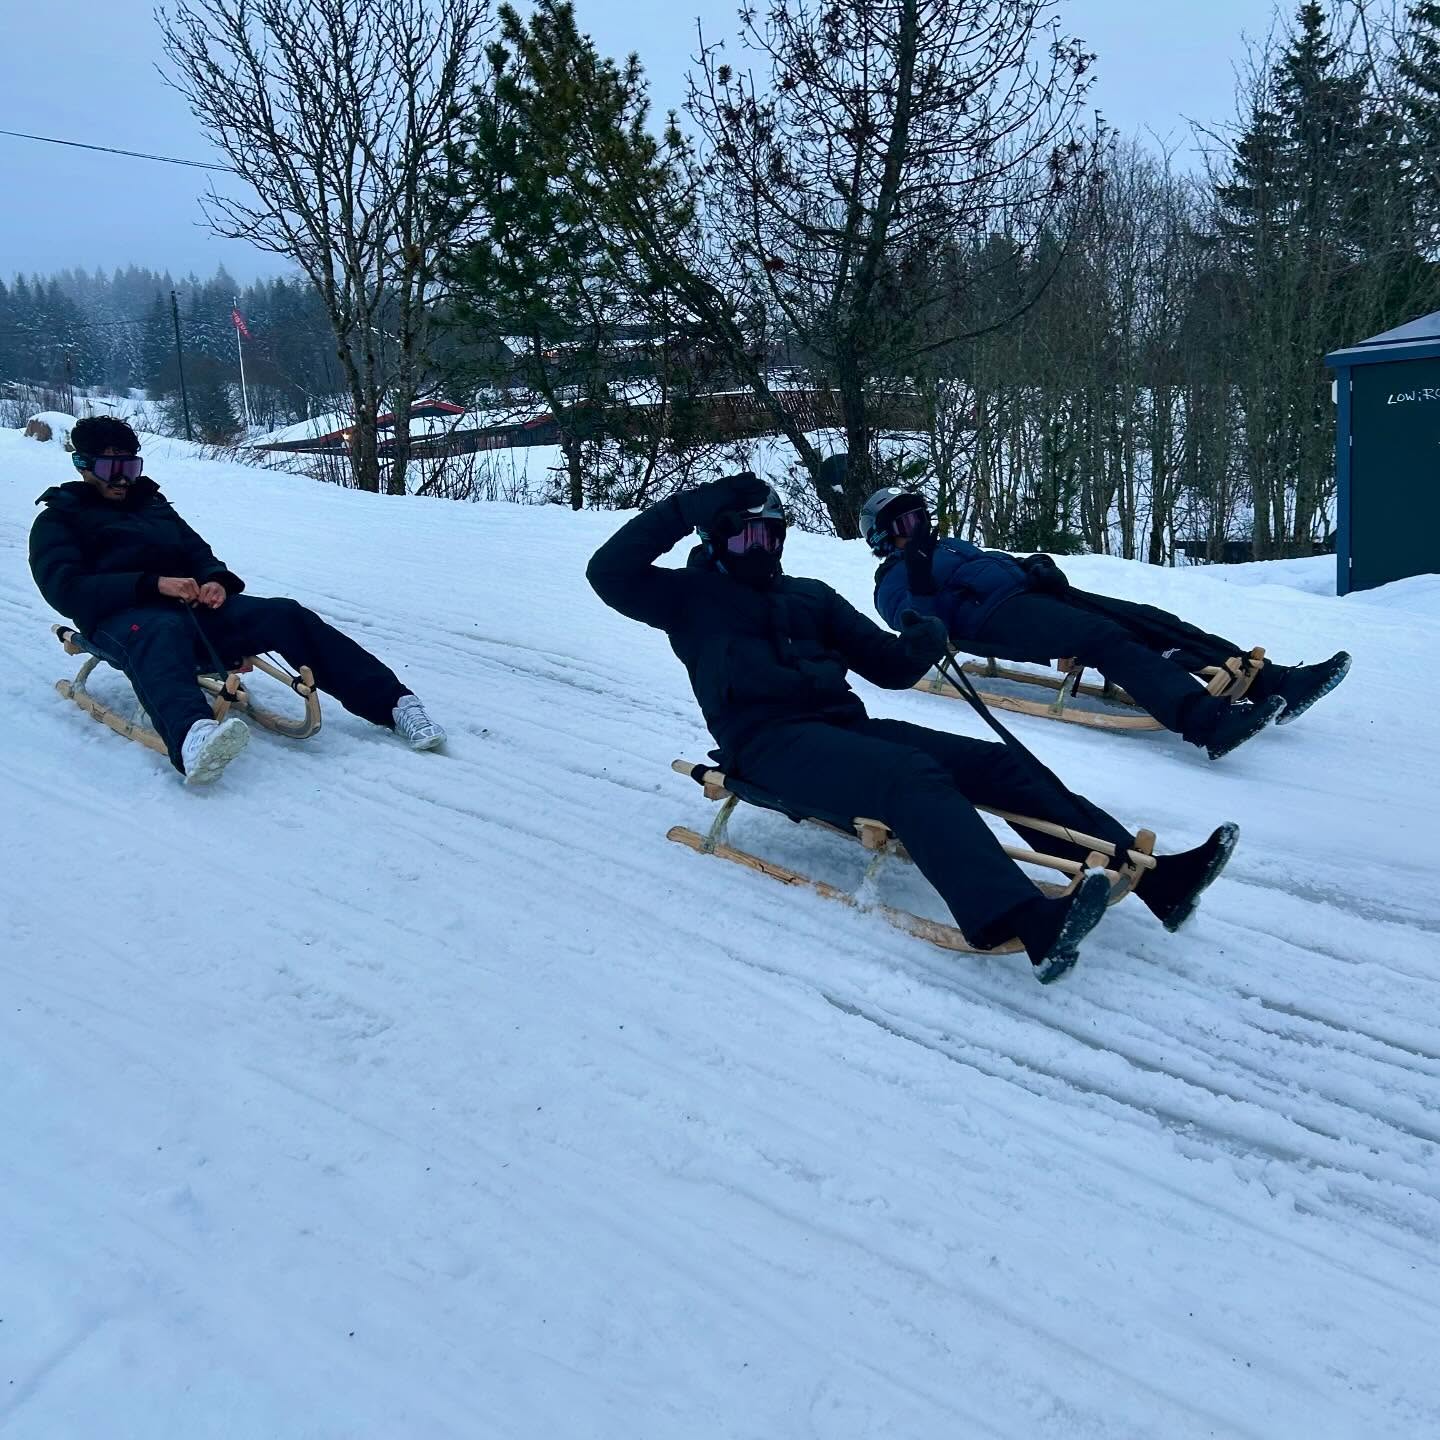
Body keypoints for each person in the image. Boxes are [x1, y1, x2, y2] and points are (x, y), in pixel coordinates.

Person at [587, 471, 1240, 983]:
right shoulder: (684, 600)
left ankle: (1158, 879)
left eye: (768, 536)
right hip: (766, 745)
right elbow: (606, 573)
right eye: (740, 536)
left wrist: (925, 636)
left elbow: (889, 668)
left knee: (994, 763)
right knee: (911, 776)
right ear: (714, 540)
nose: (757, 549)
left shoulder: (810, 597)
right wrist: (681, 508)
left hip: (842, 731)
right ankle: (1013, 919)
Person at [30, 415, 446, 785]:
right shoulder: (58, 519)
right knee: (158, 630)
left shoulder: (151, 505)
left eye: (130, 466)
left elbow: (197, 552)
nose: (122, 478)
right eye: (109, 467)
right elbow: (65, 588)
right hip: (124, 620)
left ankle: (394, 704)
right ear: (83, 466)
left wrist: (215, 581)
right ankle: (193, 738)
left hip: (192, 611)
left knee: (284, 613)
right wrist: (151, 584)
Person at [861, 487, 1352, 760]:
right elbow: (919, 625)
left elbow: (995, 561)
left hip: (1032, 595)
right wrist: (921, 571)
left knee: (1148, 619)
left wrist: (1035, 565)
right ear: (884, 539)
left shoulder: (948, 546)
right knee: (1105, 638)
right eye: (906, 525)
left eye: (920, 516)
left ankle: (1272, 681)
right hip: (997, 620)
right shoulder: (889, 583)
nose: (920, 528)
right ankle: (1206, 722)